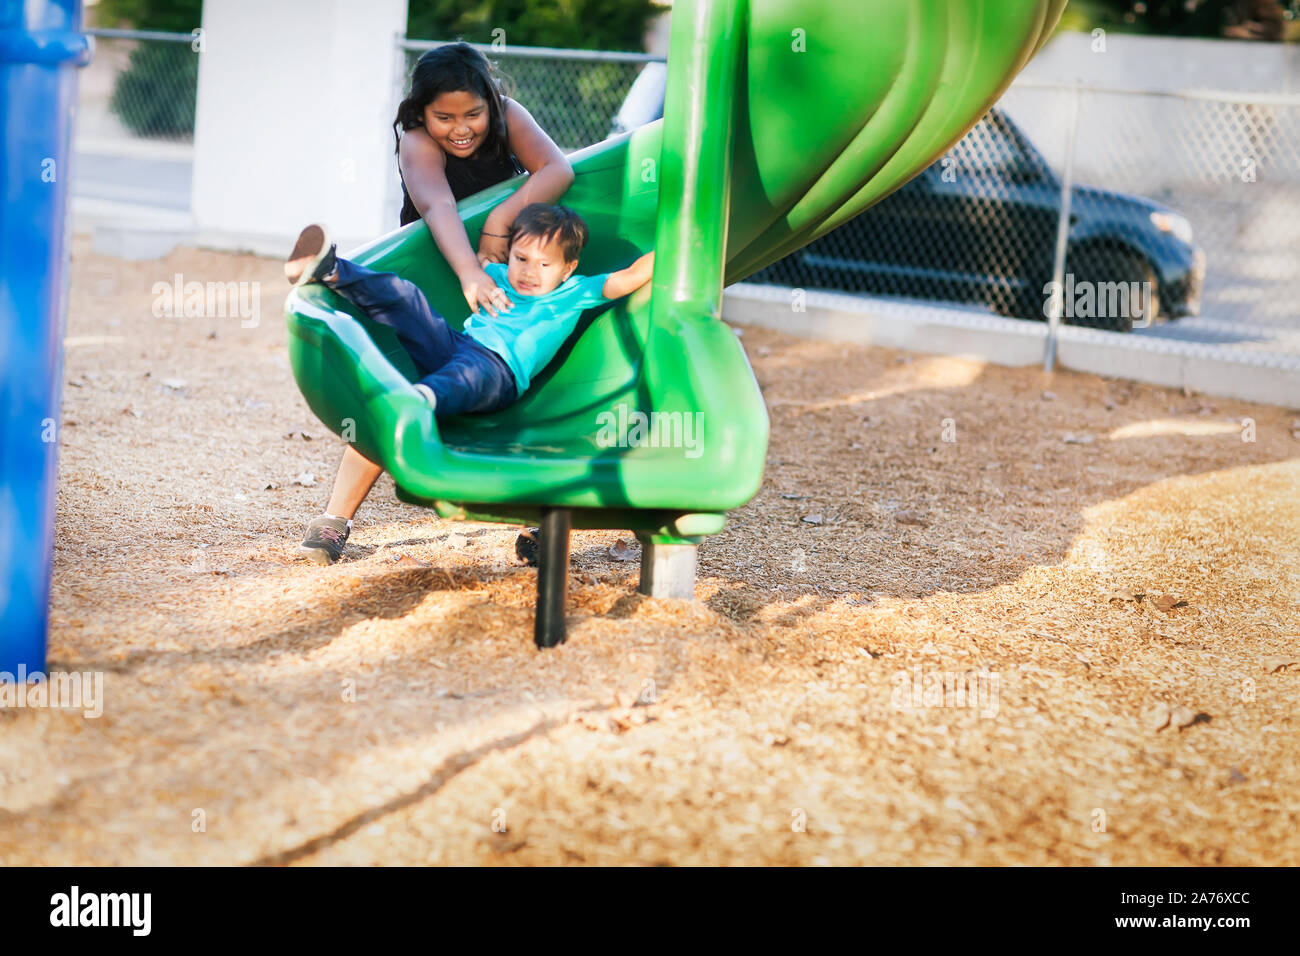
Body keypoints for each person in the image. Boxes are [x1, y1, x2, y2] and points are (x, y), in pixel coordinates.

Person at [297, 42, 576, 564]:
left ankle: (538, 520)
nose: (462, 127)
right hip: (437, 266)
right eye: (444, 116)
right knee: (409, 380)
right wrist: (468, 270)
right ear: (421, 112)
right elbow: (437, 203)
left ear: (490, 103)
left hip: (502, 273)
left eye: (473, 113)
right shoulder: (418, 141)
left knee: (515, 380)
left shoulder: (508, 115)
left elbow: (556, 170)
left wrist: (500, 221)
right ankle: (335, 519)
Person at [285, 204, 655, 563]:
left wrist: (686, 243)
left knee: (466, 373)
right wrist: (480, 267)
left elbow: (629, 278)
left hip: (497, 373)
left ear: (568, 268)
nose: (528, 272)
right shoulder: (495, 275)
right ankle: (333, 270)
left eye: (544, 264)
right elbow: (472, 264)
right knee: (408, 300)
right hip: (457, 346)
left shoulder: (575, 291)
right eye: (521, 258)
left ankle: (419, 399)